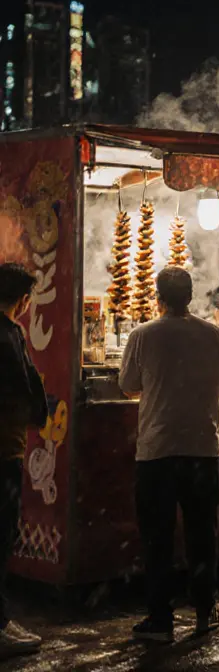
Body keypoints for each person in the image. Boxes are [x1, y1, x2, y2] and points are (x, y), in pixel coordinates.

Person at [120, 267, 219, 642]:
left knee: (158, 537)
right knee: (203, 534)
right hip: (202, 448)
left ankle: (160, 619)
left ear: (158, 297)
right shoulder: (214, 334)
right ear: (191, 296)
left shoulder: (142, 335)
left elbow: (127, 386)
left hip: (157, 451)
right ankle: (205, 612)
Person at [0, 264, 48, 655]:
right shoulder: (9, 334)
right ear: (22, 301)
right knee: (1, 535)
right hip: (4, 449)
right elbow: (26, 385)